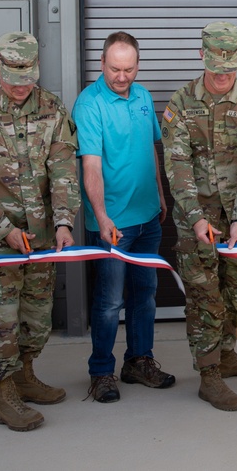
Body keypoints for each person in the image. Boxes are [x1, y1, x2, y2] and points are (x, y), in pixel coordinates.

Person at [0, 32, 80, 432]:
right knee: (0, 319)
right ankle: (3, 395)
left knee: (36, 315)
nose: (22, 87)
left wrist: (63, 222)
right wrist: (3, 228)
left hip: (41, 237)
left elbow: (63, 170)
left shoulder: (52, 108)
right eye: (13, 78)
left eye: (28, 78)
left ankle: (25, 375)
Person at [161, 21, 237, 411]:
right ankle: (209, 376)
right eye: (215, 70)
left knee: (235, 292)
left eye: (229, 70)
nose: (223, 77)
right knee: (204, 297)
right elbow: (178, 166)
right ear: (202, 59)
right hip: (197, 220)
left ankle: (226, 353)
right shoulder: (180, 104)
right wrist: (195, 218)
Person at [72, 31, 175, 404]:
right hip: (114, 224)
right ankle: (101, 372)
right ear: (101, 64)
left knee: (144, 295)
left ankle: (139, 361)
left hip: (148, 218)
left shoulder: (144, 97)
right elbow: (91, 167)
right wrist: (101, 216)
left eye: (129, 69)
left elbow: (150, 149)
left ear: (137, 66)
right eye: (115, 68)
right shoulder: (89, 104)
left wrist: (161, 196)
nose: (121, 76)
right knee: (109, 301)